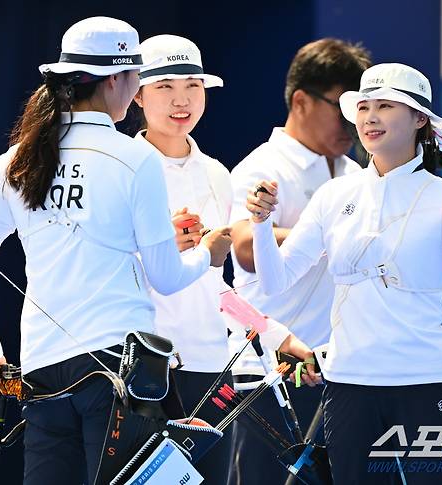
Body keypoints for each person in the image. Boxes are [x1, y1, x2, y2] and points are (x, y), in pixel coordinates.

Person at [0, 17, 232, 485]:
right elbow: (166, 276)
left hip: (42, 370)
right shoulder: (133, 157)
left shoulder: (17, 157)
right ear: (119, 81)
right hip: (122, 372)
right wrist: (207, 251)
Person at [245, 63, 442, 484]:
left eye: (386, 106)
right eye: (364, 107)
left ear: (419, 120)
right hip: (349, 384)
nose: (370, 117)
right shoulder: (334, 196)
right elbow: (275, 281)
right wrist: (262, 224)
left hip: (425, 384)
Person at [131, 34, 318, 484]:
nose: (182, 100)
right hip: (140, 363)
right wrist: (161, 249)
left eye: (193, 86)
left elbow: (218, 288)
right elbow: (103, 272)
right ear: (136, 93)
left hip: (209, 366)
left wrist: (278, 335)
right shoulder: (122, 166)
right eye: (165, 87)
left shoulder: (216, 174)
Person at [228, 38, 372, 484]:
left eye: (361, 107)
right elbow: (246, 249)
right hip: (273, 375)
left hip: (341, 375)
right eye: (340, 105)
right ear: (301, 101)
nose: (353, 121)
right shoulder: (264, 167)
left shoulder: (359, 176)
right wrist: (329, 237)